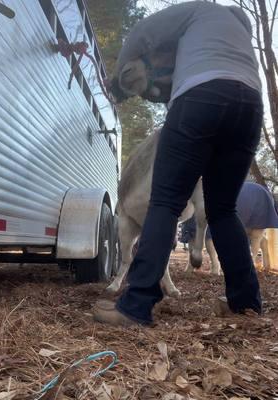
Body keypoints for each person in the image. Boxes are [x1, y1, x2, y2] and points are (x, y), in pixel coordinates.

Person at [93, 1, 263, 326]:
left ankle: (135, 305)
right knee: (223, 210)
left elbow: (143, 32)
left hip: (200, 99)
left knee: (166, 202)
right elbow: (172, 85)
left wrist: (118, 79)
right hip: (250, 108)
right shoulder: (238, 40)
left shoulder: (202, 12)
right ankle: (246, 304)